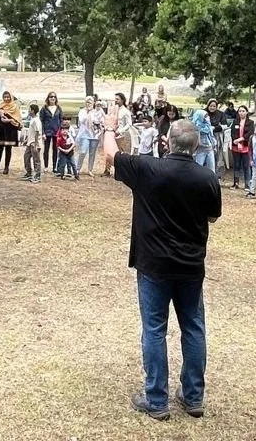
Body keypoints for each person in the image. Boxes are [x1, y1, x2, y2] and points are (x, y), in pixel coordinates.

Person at [105, 110, 220, 421]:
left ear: (167, 142)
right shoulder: (208, 178)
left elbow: (111, 155)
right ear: (196, 147)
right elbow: (211, 216)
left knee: (154, 330)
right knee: (194, 329)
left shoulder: (148, 169)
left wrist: (109, 127)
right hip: (191, 267)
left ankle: (157, 400)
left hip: (154, 265)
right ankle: (193, 397)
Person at [0, 92, 22, 174]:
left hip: (10, 131)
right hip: (0, 131)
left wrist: (11, 120)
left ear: (11, 97)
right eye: (4, 97)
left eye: (8, 97)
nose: (6, 99)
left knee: (8, 149)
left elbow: (18, 120)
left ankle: (6, 167)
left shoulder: (15, 107)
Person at [229, 105, 254, 191]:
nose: (241, 113)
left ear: (246, 112)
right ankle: (236, 183)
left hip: (246, 147)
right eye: (240, 111)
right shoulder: (235, 121)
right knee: (236, 165)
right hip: (236, 147)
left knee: (246, 166)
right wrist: (236, 141)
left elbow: (250, 133)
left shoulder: (251, 122)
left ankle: (247, 184)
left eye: (243, 111)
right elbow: (232, 133)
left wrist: (241, 140)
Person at [76, 97, 101, 175]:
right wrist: (88, 113)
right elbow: (82, 120)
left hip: (95, 135)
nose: (88, 104)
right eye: (87, 102)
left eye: (90, 102)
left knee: (92, 153)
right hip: (84, 134)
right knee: (83, 151)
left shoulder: (96, 112)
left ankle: (90, 169)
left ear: (93, 103)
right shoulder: (82, 111)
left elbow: (99, 121)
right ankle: (78, 168)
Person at [40, 93, 63, 173]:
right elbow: (41, 121)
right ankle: (46, 166)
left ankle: (54, 167)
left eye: (54, 97)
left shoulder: (59, 108)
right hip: (47, 131)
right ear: (48, 98)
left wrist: (60, 131)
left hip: (56, 132)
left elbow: (61, 120)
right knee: (46, 149)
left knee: (55, 150)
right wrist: (43, 133)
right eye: (51, 97)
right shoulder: (44, 108)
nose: (53, 98)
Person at [23, 103, 43, 183]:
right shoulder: (32, 119)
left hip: (34, 143)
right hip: (30, 142)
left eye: (29, 109)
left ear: (33, 111)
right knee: (26, 157)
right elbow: (31, 131)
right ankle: (29, 173)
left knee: (36, 160)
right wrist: (27, 139)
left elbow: (37, 132)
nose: (28, 111)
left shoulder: (36, 120)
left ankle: (37, 176)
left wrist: (35, 143)